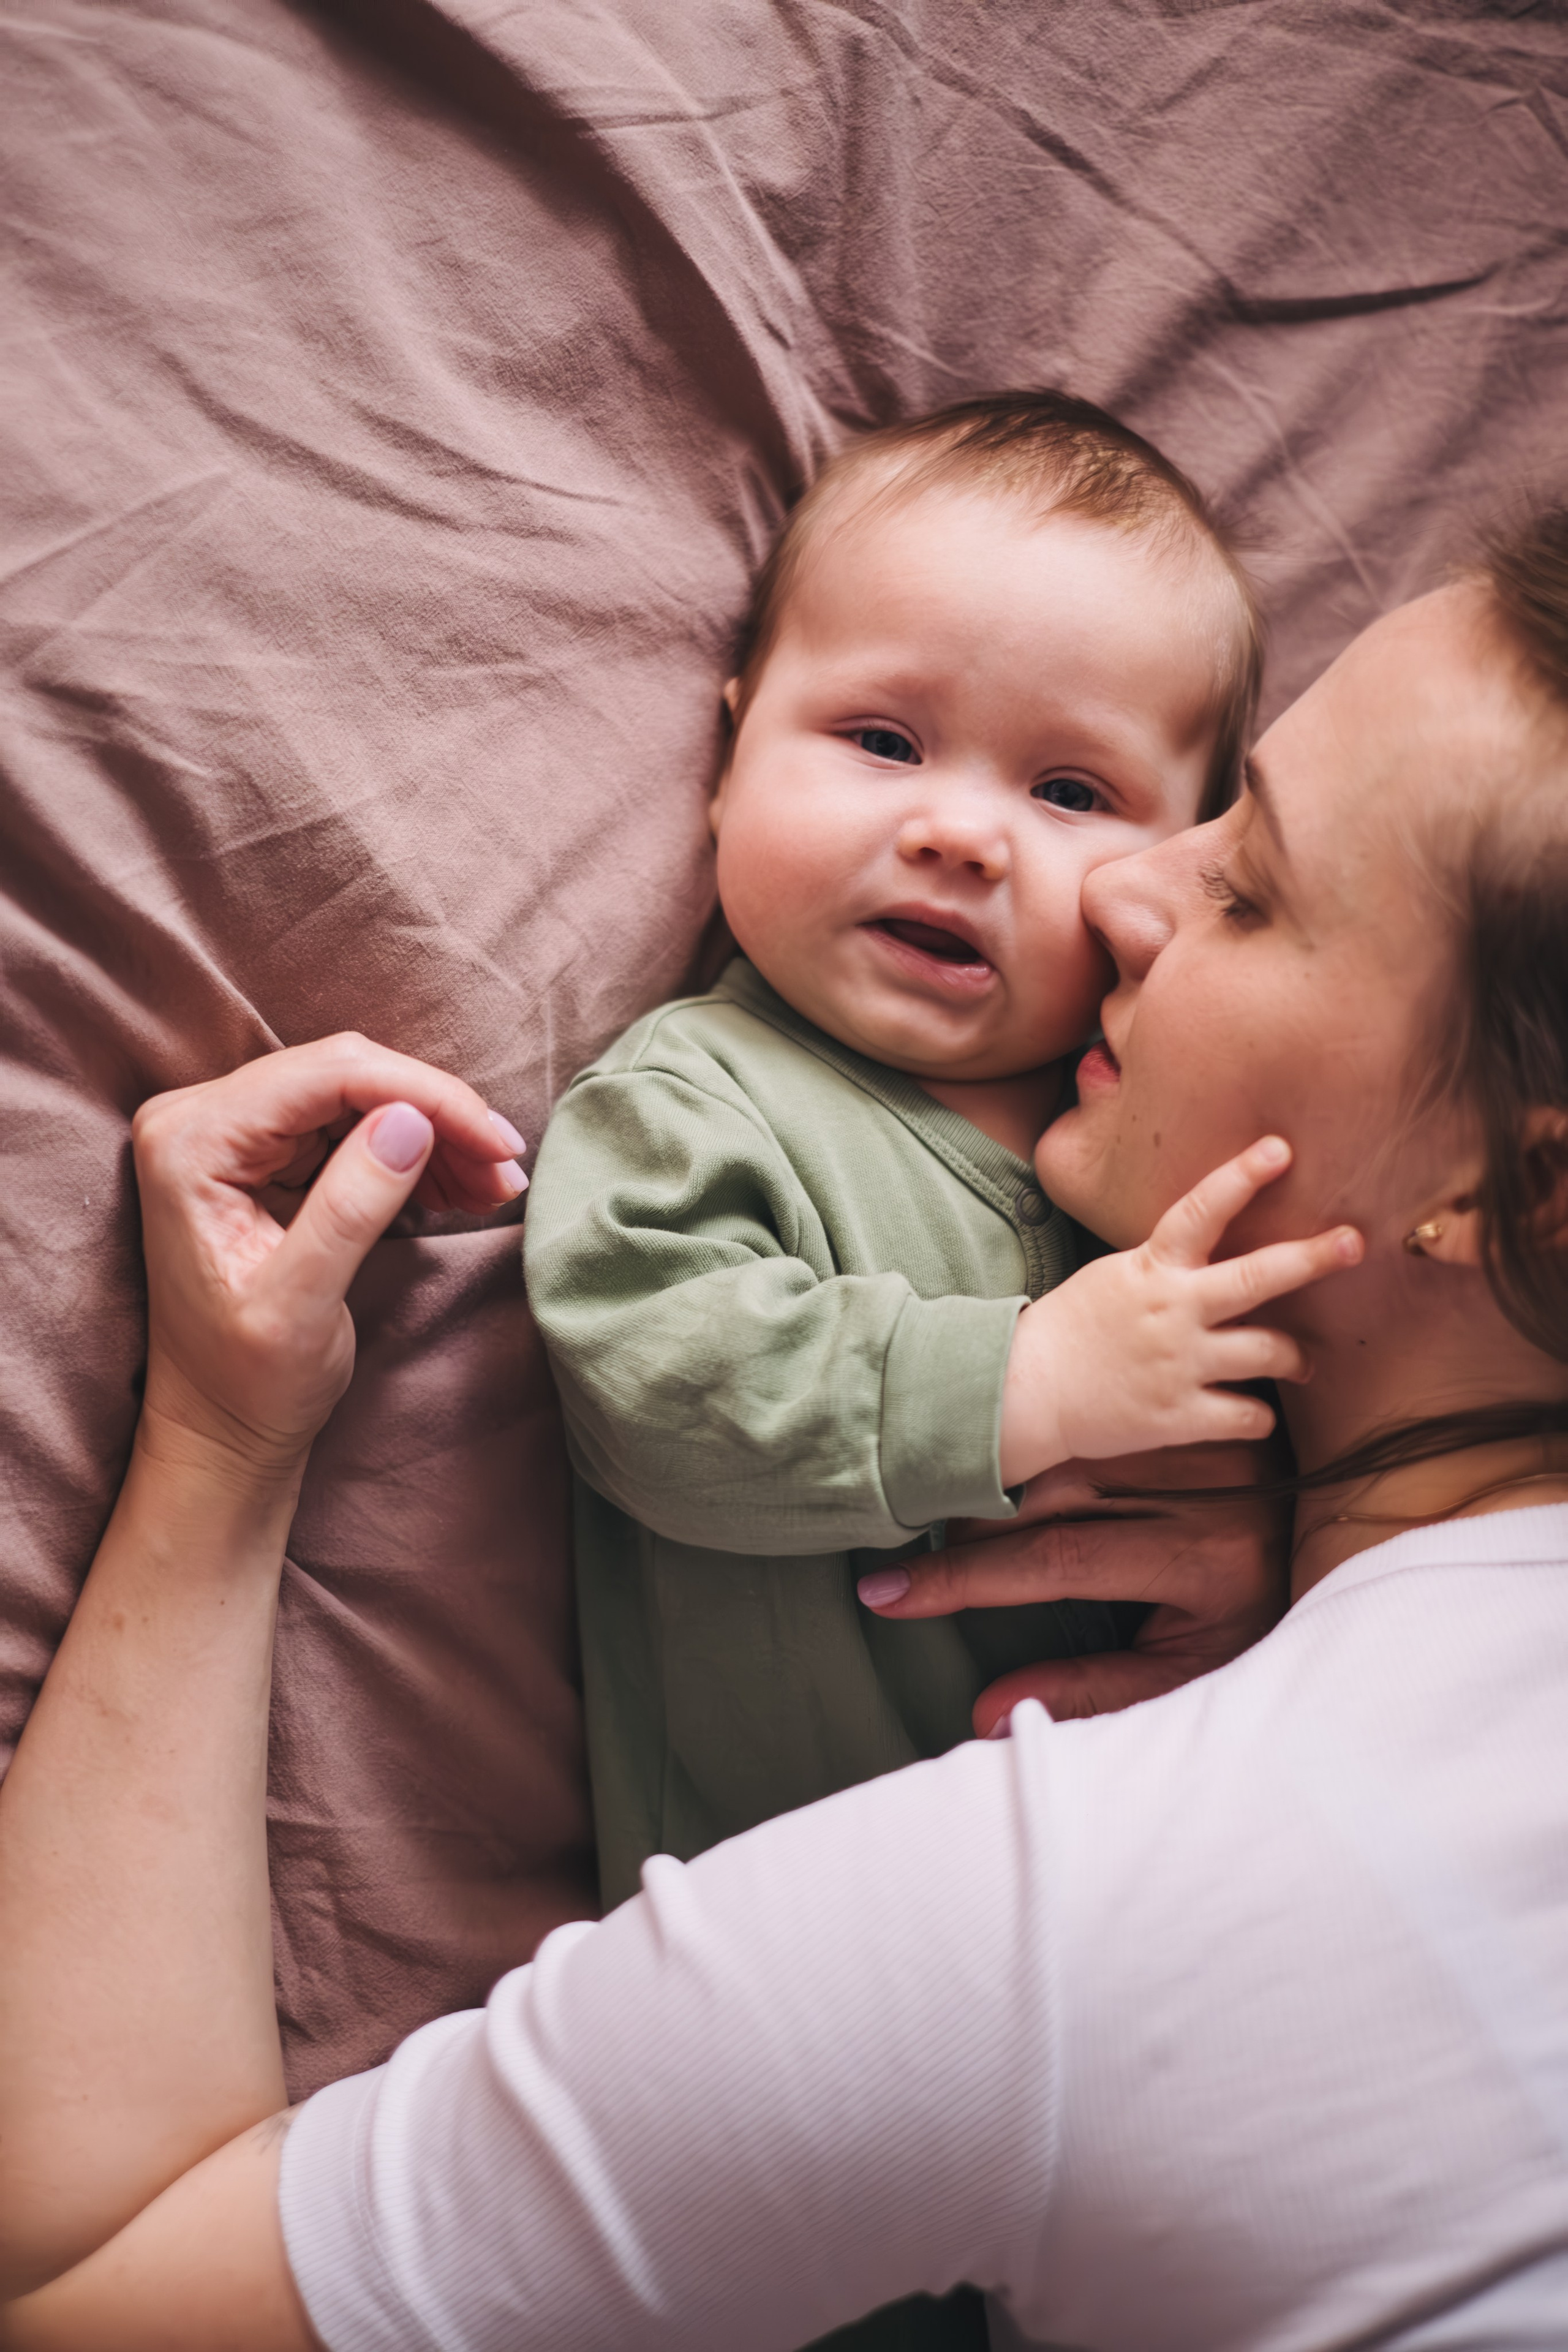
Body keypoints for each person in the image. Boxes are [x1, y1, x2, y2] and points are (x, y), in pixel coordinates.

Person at [3, 505, 1568, 2349]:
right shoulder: (713, 1104)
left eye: (1248, 887)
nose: (1118, 891)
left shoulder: (1049, 1929)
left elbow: (86, 2296)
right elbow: (666, 1357)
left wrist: (215, 1443)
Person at [524, 392, 1333, 1939]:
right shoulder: (699, 1097)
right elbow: (651, 1395)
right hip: (787, 1942)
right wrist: (1022, 1380)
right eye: (882, 741)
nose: (961, 834)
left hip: (1158, 1912)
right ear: (727, 747)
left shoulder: (1172, 1147)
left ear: (1187, 855)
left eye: (1068, 793)